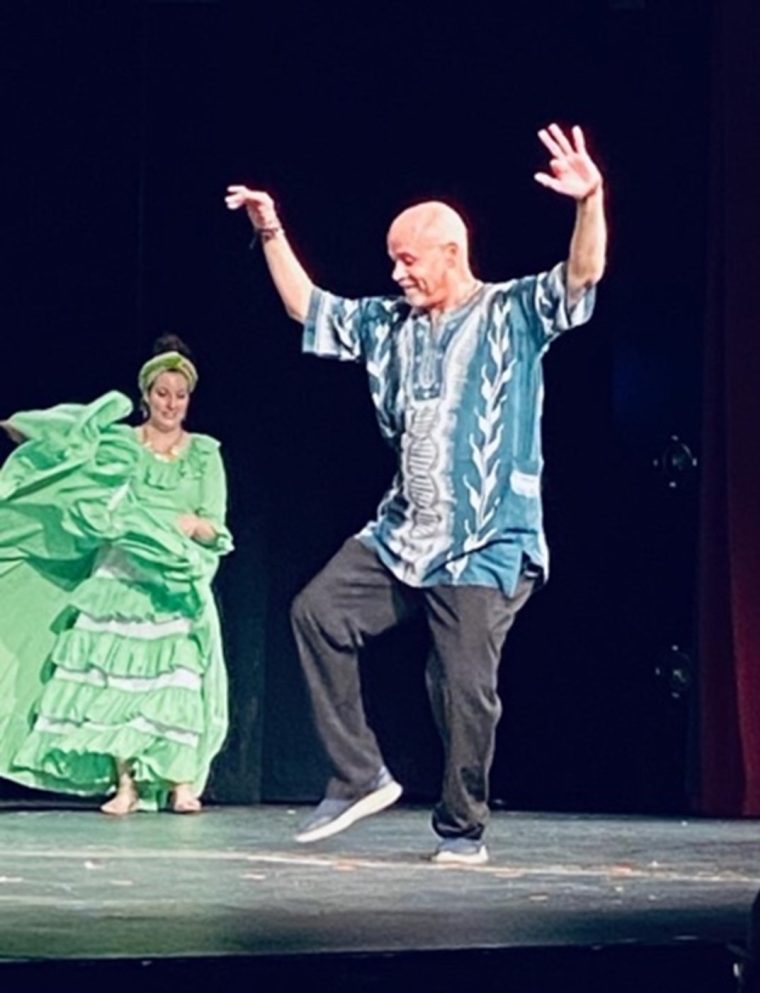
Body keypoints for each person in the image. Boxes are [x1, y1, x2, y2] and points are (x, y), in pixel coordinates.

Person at [226, 122, 607, 863]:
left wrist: (588, 200)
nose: (397, 272)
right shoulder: (387, 325)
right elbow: (308, 307)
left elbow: (581, 275)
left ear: (449, 253)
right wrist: (270, 229)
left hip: (488, 536)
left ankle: (463, 829)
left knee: (459, 681)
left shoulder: (511, 312)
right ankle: (358, 774)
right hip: (405, 534)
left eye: (408, 259)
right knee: (318, 611)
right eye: (392, 260)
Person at [0, 336, 232, 814]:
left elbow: (216, 526)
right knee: (114, 678)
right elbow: (69, 456)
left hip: (172, 578)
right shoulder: (120, 446)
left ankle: (179, 782)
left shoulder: (205, 454)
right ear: (146, 394)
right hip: (120, 577)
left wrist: (193, 525)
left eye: (180, 395)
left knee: (176, 676)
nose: (170, 403)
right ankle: (124, 783)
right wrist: (33, 435)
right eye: (162, 393)